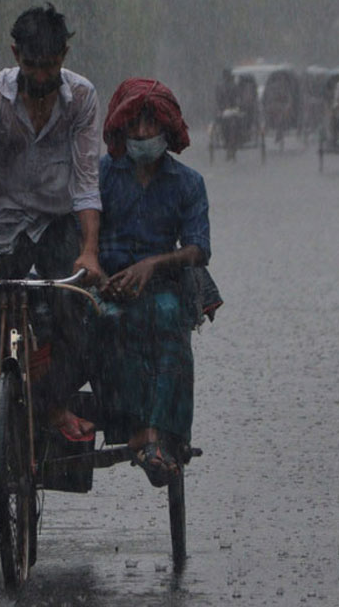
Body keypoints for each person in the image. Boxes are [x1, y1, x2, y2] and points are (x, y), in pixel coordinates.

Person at [0, 3, 106, 559]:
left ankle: (52, 403)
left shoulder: (81, 99)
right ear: (16, 58)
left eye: (50, 67)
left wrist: (89, 250)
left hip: (56, 230)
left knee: (76, 321)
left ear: (64, 58)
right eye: (32, 67)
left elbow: (85, 182)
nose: (41, 80)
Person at [96, 78, 210, 487]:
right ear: (121, 129)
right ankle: (132, 428)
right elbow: (81, 234)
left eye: (151, 125)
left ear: (167, 130)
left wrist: (152, 265)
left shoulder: (188, 184)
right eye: (135, 125)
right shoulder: (100, 176)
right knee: (108, 322)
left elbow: (199, 249)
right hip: (105, 282)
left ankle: (163, 434)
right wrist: (102, 276)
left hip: (163, 285)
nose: (143, 134)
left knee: (167, 319)